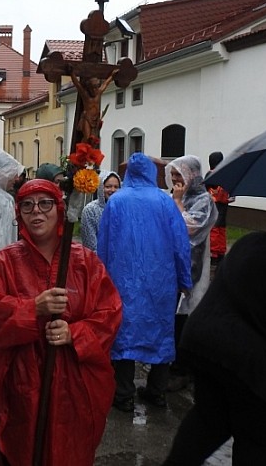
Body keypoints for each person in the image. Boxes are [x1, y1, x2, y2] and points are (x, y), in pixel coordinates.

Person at [0, 178, 122, 466]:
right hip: (20, 387)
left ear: (59, 209)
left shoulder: (86, 262)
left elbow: (110, 314)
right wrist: (32, 309)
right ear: (18, 213)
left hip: (73, 388)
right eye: (28, 205)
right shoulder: (3, 263)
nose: (37, 212)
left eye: (45, 203)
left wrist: (75, 333)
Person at [163, 200, 266, 466]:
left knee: (209, 420)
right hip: (250, 368)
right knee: (258, 440)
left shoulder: (249, 243)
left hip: (204, 347)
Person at [97, 152, 193, 412]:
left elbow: (103, 244)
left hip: (123, 281)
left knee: (125, 334)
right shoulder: (165, 202)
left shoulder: (116, 202)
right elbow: (180, 244)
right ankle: (157, 391)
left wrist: (100, 280)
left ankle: (124, 394)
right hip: (161, 282)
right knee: (162, 333)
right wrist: (185, 280)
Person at [165, 154, 218, 390]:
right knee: (173, 318)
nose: (175, 180)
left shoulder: (204, 200)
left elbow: (189, 228)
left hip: (192, 267)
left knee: (185, 319)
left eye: (180, 175)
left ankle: (183, 370)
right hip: (171, 266)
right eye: (173, 175)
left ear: (192, 176)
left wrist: (176, 203)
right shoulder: (178, 195)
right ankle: (174, 363)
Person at [204, 151, 234, 277]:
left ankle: (218, 255)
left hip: (217, 209)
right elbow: (219, 193)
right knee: (217, 231)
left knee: (218, 230)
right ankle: (216, 257)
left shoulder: (209, 175)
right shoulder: (218, 175)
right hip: (218, 208)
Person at [80, 171, 121, 252]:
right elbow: (90, 246)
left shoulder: (123, 209)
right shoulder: (90, 210)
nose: (113, 190)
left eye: (116, 187)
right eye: (108, 186)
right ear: (101, 188)